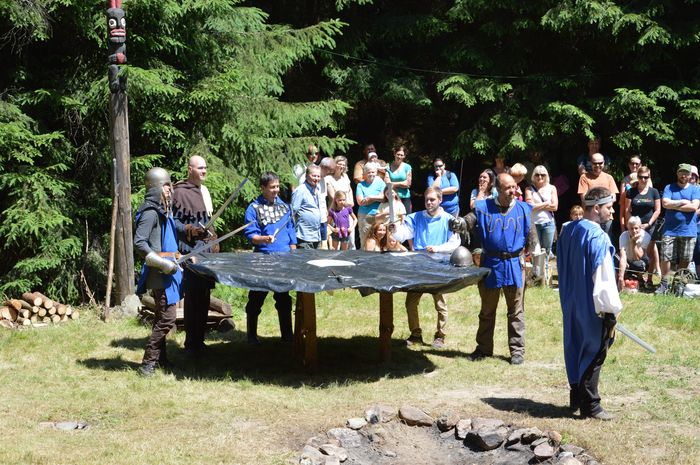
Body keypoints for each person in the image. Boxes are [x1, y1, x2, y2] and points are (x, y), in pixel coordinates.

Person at [557, 187, 622, 421]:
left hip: (571, 300)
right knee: (594, 350)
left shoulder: (568, 230)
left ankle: (576, 397)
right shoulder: (598, 237)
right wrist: (610, 310)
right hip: (591, 305)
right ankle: (590, 405)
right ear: (596, 208)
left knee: (574, 345)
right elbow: (602, 276)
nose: (612, 212)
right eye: (609, 207)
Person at [468, 173, 532, 365]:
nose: (513, 191)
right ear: (498, 189)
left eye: (514, 187)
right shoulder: (483, 207)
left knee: (516, 311)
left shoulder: (523, 209)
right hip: (491, 263)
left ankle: (517, 351)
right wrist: (461, 223)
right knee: (487, 310)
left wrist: (532, 257)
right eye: (508, 188)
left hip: (514, 264)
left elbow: (531, 235)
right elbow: (471, 219)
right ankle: (484, 348)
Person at [391, 186, 461, 349]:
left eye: (432, 200)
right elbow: (403, 235)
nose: (429, 203)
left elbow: (454, 243)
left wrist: (438, 248)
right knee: (411, 302)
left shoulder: (449, 219)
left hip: (439, 266)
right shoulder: (416, 217)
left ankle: (440, 335)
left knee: (440, 304)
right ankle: (416, 334)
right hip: (419, 266)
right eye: (427, 200)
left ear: (440, 200)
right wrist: (395, 231)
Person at [134, 168, 182, 376]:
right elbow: (140, 243)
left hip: (168, 270)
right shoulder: (150, 212)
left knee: (161, 316)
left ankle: (161, 359)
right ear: (156, 187)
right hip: (159, 272)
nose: (170, 190)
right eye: (166, 186)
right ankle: (148, 363)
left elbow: (167, 243)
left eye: (170, 186)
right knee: (167, 318)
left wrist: (177, 256)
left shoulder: (163, 211)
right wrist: (163, 264)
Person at [243, 172, 297, 344]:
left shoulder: (285, 207)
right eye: (272, 187)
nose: (276, 190)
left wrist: (293, 253)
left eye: (277, 186)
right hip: (263, 259)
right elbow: (251, 235)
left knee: (284, 298)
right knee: (256, 297)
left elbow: (291, 231)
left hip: (283, 258)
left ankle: (287, 336)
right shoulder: (253, 208)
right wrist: (263, 239)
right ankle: (251, 336)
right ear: (263, 188)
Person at [172, 155, 217, 355]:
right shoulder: (179, 192)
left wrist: (213, 239)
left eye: (205, 168)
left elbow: (207, 220)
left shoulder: (204, 191)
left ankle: (200, 340)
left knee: (204, 296)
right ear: (190, 169)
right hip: (190, 250)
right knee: (193, 297)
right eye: (200, 168)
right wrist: (189, 229)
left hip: (205, 250)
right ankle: (191, 343)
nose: (204, 171)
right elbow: (174, 222)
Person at [656, 163, 700, 294]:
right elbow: (665, 204)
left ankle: (678, 283)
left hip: (688, 230)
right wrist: (683, 202)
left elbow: (694, 207)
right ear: (677, 173)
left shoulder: (695, 189)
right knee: (665, 256)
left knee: (686, 258)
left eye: (686, 173)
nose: (684, 175)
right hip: (670, 229)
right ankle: (664, 283)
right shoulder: (669, 187)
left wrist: (673, 205)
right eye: (681, 172)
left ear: (690, 175)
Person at [577, 153, 619, 244]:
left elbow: (614, 197)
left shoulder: (609, 178)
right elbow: (584, 199)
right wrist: (605, 200)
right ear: (590, 163)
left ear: (604, 163)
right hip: (590, 218)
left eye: (600, 163)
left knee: (606, 243)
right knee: (589, 243)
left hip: (607, 217)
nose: (597, 165)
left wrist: (596, 201)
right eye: (595, 163)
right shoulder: (584, 178)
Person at [525, 165, 558, 255]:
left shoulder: (552, 188)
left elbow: (555, 207)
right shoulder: (529, 189)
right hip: (534, 224)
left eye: (542, 175)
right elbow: (529, 207)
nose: (540, 177)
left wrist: (535, 205)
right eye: (537, 174)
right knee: (535, 251)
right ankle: (536, 265)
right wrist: (546, 203)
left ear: (546, 175)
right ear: (533, 176)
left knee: (547, 250)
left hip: (548, 223)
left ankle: (545, 265)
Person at [326, 155, 355, 249]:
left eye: (343, 164)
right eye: (339, 164)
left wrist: (351, 201)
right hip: (335, 212)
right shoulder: (328, 178)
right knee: (336, 240)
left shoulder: (345, 176)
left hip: (347, 211)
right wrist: (347, 203)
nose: (342, 166)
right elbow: (333, 196)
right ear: (334, 165)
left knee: (350, 240)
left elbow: (350, 190)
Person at [291, 164, 324, 249]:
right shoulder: (300, 190)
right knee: (304, 258)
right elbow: (293, 212)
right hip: (304, 236)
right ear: (306, 176)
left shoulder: (317, 189)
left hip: (316, 235)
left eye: (318, 176)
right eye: (313, 176)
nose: (316, 178)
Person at [618, 216, 655, 289]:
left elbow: (637, 258)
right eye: (631, 228)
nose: (634, 231)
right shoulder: (623, 236)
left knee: (639, 265)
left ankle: (640, 278)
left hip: (640, 262)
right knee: (615, 260)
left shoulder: (646, 236)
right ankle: (624, 277)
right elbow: (623, 256)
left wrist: (633, 242)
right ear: (628, 228)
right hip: (627, 260)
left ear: (640, 227)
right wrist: (621, 277)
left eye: (636, 228)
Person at [356, 164, 386, 248]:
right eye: (369, 172)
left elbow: (384, 198)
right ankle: (364, 255)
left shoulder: (381, 183)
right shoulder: (360, 185)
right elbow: (361, 202)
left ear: (376, 172)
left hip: (379, 214)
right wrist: (377, 198)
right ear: (365, 174)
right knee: (364, 239)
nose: (371, 174)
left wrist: (370, 197)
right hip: (365, 215)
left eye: (373, 172)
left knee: (380, 238)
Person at [385, 142, 413, 214]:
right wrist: (401, 183)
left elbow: (408, 184)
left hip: (405, 197)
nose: (399, 157)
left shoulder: (407, 167)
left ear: (404, 156)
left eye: (401, 155)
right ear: (394, 154)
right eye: (398, 154)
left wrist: (393, 184)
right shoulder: (388, 167)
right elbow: (387, 183)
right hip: (392, 197)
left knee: (407, 218)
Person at [619, 155, 644, 231]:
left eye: (637, 164)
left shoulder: (646, 179)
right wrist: (622, 225)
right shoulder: (625, 180)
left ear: (641, 165)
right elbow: (622, 204)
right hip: (629, 217)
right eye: (632, 163)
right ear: (629, 164)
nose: (634, 165)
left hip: (643, 217)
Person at [318, 157, 337, 249]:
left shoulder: (324, 179)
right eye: (330, 171)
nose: (329, 174)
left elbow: (323, 198)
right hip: (314, 219)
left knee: (323, 246)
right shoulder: (311, 177)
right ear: (323, 167)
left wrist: (326, 211)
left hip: (322, 218)